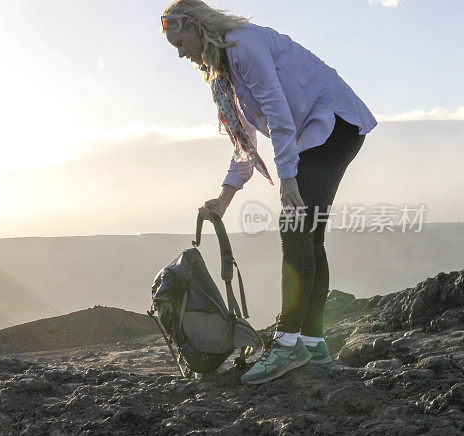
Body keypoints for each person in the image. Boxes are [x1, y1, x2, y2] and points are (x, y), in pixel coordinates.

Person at [160, 0, 377, 384]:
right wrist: (225, 198)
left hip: (333, 125)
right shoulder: (224, 70)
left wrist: (288, 177)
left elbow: (277, 110)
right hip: (322, 132)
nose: (180, 54)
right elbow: (244, 140)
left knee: (295, 229)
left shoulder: (243, 46)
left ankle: (288, 343)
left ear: (196, 25)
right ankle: (311, 341)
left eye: (180, 41)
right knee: (308, 234)